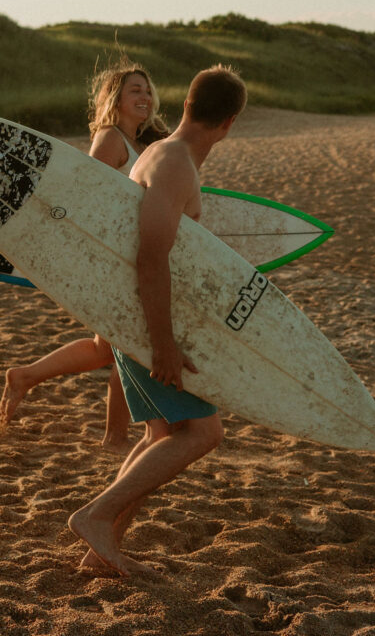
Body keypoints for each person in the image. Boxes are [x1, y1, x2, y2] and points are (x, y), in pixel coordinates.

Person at [68, 65, 247, 576]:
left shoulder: (165, 154)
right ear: (229, 122)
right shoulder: (172, 163)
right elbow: (150, 257)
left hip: (135, 316)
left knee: (160, 436)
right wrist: (163, 342)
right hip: (145, 320)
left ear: (188, 104)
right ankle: (96, 516)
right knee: (202, 433)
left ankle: (101, 550)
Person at [0, 59, 168, 452]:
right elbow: (86, 201)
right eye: (134, 90)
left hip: (129, 254)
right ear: (116, 99)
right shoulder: (110, 139)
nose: (144, 96)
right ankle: (115, 437)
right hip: (112, 259)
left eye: (147, 90)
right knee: (130, 347)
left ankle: (25, 376)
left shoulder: (143, 142)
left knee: (105, 349)